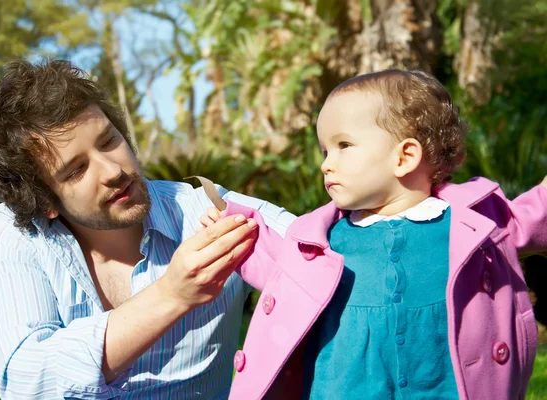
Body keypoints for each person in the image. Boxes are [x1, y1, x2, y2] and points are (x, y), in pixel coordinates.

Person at [200, 69, 547, 399]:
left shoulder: (473, 223)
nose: (325, 164)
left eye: (343, 146)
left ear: (405, 156)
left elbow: (536, 213)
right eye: (324, 151)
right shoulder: (317, 244)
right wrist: (229, 230)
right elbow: (266, 257)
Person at [0, 59, 295, 399]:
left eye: (109, 141)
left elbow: (330, 257)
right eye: (77, 170)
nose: (112, 170)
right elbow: (28, 381)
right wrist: (171, 296)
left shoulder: (212, 213)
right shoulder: (11, 234)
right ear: (45, 202)